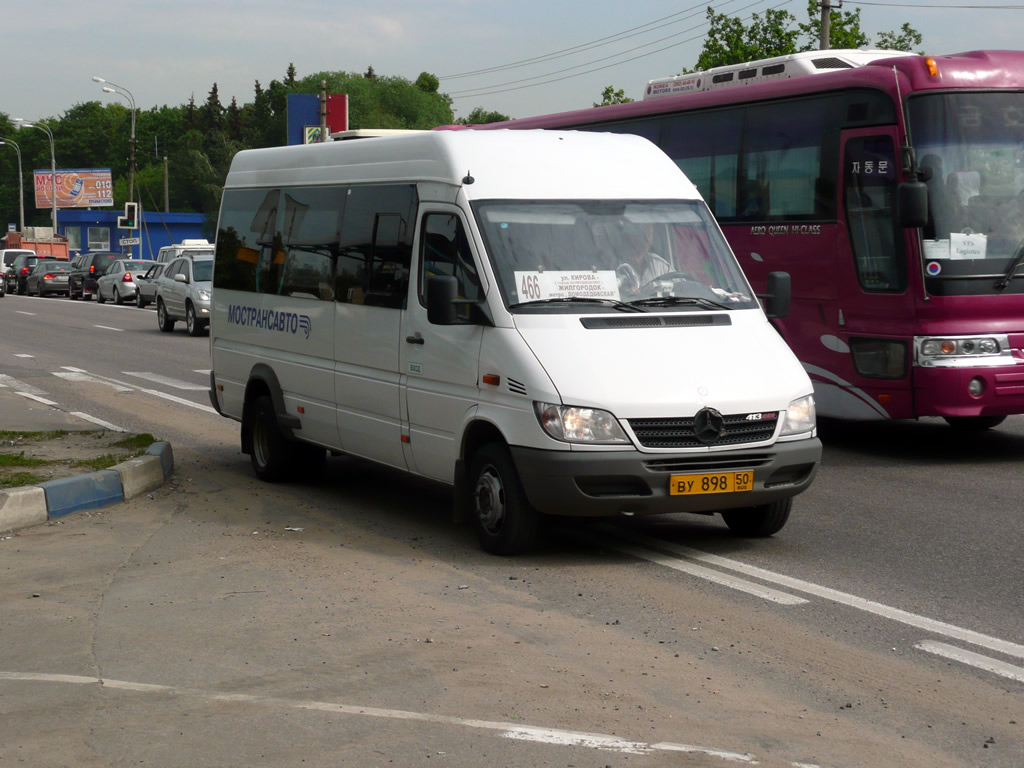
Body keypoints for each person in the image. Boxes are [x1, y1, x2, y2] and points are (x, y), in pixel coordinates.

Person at [615, 222, 672, 295]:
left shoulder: (659, 266)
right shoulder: (611, 267)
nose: (647, 239)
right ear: (629, 235)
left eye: (650, 234)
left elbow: (681, 289)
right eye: (643, 234)